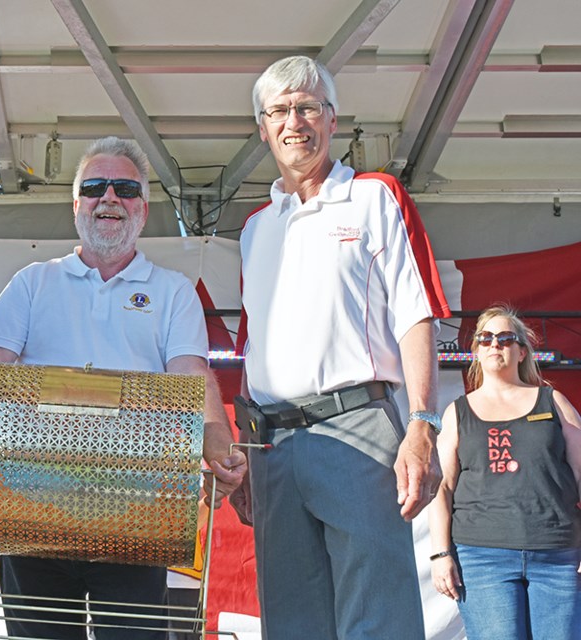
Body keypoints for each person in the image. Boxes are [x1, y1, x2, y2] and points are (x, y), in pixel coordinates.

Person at [0, 136, 247, 639]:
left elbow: (193, 376)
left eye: (125, 188)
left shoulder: (173, 290)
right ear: (76, 205)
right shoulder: (31, 282)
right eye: (95, 187)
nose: (109, 197)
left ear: (143, 208)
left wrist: (222, 450)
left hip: (137, 509)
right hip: (34, 512)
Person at [237, 55, 451, 639]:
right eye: (278, 110)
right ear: (262, 127)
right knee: (292, 624)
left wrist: (423, 422)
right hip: (274, 446)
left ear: (333, 120)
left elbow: (417, 312)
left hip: (357, 424)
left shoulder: (376, 196)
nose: (293, 121)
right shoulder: (255, 228)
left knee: (378, 622)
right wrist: (248, 453)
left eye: (307, 107)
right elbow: (250, 350)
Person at [429, 306, 581, 639]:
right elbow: (442, 488)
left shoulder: (553, 401)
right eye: (485, 338)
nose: (495, 344)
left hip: (557, 554)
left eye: (506, 338)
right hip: (483, 558)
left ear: (522, 351)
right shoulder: (458, 411)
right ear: (476, 352)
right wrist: (441, 554)